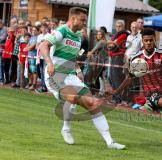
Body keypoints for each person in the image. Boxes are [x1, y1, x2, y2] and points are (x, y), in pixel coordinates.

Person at [39, 7, 125, 149]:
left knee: (94, 104)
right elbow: (43, 45)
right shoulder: (61, 31)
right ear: (73, 18)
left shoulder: (79, 36)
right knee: (72, 97)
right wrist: (49, 63)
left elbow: (73, 57)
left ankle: (110, 142)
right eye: (83, 20)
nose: (85, 23)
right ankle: (66, 128)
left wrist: (78, 70)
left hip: (70, 75)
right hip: (56, 76)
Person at [24, 26, 39, 90]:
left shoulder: (38, 38)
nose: (33, 31)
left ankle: (34, 84)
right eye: (33, 30)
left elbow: (32, 46)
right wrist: (27, 48)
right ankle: (30, 83)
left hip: (34, 56)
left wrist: (28, 48)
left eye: (35, 30)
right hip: (29, 56)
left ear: (38, 31)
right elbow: (27, 46)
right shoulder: (31, 37)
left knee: (34, 71)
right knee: (30, 71)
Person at [0, 19, 8, 84]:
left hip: (3, 50)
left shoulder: (5, 29)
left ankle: (2, 79)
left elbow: (2, 38)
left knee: (1, 65)